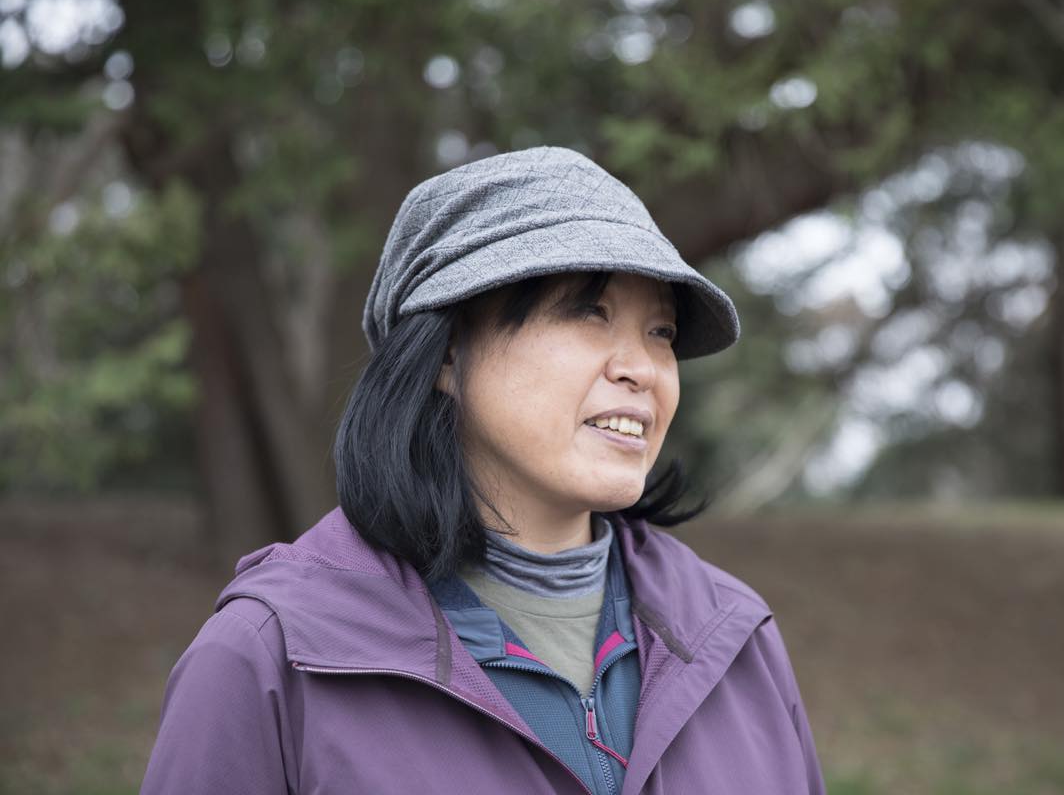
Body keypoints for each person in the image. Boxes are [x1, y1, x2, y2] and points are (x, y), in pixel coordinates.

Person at [140, 146, 826, 794]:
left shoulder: (736, 638)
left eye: (661, 332)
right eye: (589, 313)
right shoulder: (271, 656)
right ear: (447, 353)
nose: (641, 368)